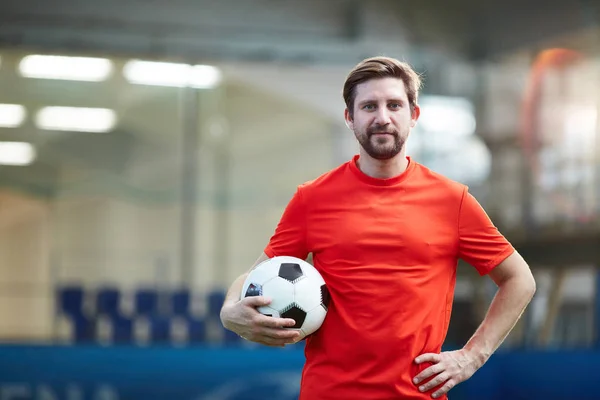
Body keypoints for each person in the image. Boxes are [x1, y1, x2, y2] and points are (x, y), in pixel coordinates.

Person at [220, 56, 536, 400]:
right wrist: (229, 311)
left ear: (413, 115)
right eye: (369, 106)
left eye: (394, 105)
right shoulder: (312, 199)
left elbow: (520, 279)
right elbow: (255, 275)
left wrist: (472, 356)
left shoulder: (452, 201)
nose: (382, 117)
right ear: (350, 118)